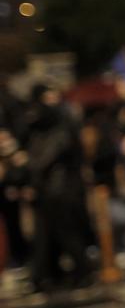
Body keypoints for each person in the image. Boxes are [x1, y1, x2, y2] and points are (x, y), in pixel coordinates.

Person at [23, 83, 96, 290]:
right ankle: (48, 274)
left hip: (60, 188)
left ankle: (79, 271)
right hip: (52, 188)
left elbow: (51, 156)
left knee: (66, 232)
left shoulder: (62, 121)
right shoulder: (44, 125)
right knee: (48, 234)